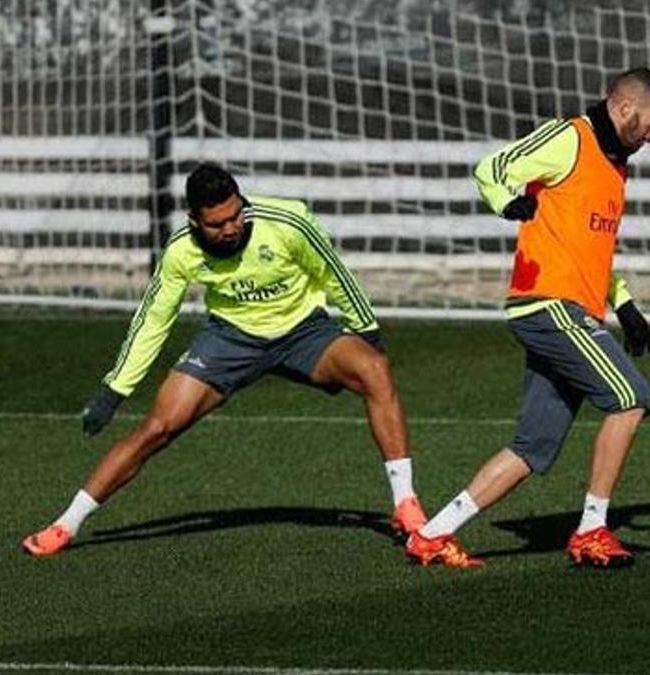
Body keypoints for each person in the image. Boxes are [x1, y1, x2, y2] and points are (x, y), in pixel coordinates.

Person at [22, 164, 427, 556]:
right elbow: (154, 319)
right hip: (230, 339)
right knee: (159, 427)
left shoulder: (288, 220)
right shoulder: (182, 250)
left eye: (236, 215)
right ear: (195, 221)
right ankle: (66, 524)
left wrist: (367, 332)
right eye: (217, 224)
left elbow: (335, 274)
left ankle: (406, 504)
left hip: (304, 331)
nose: (231, 227)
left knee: (374, 370)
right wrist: (116, 389)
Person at [404, 67, 650, 568]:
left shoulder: (617, 169)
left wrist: (625, 302)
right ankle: (592, 530)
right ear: (623, 108)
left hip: (571, 308)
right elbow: (492, 166)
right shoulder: (569, 137)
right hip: (548, 305)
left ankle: (432, 534)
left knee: (533, 449)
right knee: (630, 398)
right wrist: (509, 201)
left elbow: (593, 249)